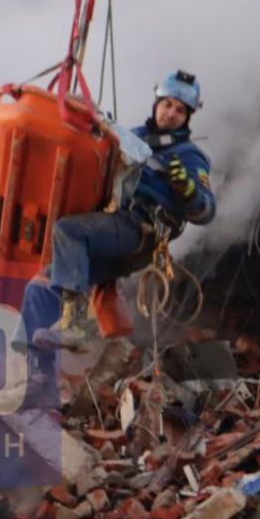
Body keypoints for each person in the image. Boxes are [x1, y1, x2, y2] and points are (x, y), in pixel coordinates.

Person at [18, 70, 216, 344]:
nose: (171, 113)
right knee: (39, 288)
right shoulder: (131, 137)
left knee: (69, 231)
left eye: (180, 110)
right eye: (167, 104)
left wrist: (188, 190)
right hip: (113, 230)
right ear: (157, 103)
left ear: (187, 117)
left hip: (140, 230)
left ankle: (73, 326)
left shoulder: (189, 157)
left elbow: (206, 212)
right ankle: (28, 365)